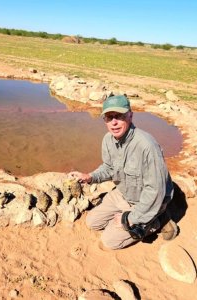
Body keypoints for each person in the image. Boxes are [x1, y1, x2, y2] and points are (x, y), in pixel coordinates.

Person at [69, 95, 178, 250]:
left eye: (119, 116)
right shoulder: (108, 140)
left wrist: (131, 217)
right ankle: (135, 216)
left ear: (130, 115)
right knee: (92, 222)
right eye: (109, 117)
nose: (114, 122)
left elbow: (155, 191)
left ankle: (158, 220)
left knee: (110, 241)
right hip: (123, 194)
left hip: (145, 201)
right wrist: (90, 177)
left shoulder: (147, 146)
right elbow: (109, 168)